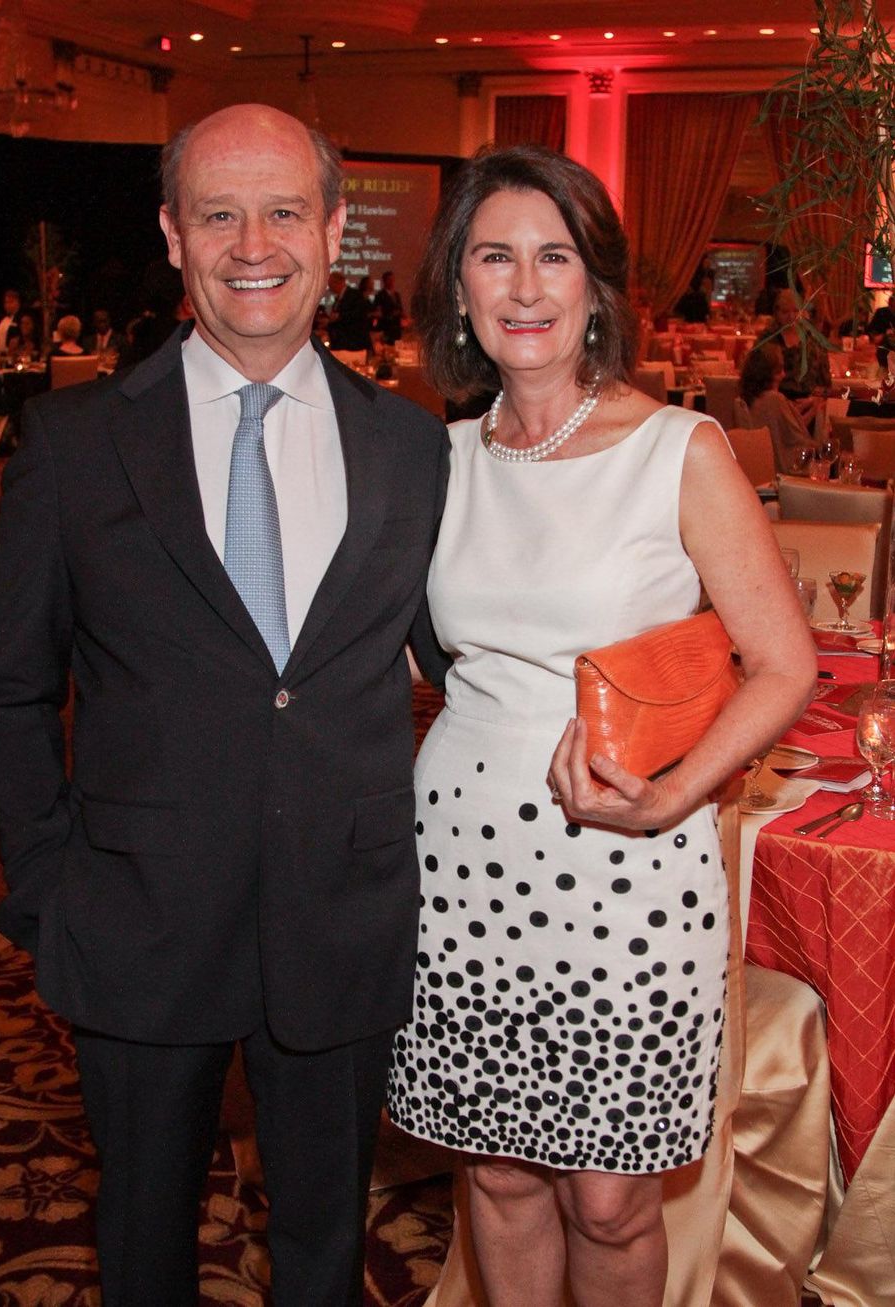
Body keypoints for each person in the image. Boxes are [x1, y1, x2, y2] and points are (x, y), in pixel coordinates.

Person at [0, 102, 449, 1307]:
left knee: (325, 1250)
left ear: (331, 229)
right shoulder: (74, 441)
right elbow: (8, 689)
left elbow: (470, 660)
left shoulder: (412, 447)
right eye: (219, 214)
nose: (253, 244)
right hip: (135, 918)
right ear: (174, 234)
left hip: (341, 913)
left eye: (283, 211)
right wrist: (52, 888)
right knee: (140, 1242)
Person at [385, 145, 816, 1307]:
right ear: (458, 287)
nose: (524, 286)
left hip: (631, 868)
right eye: (494, 257)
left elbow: (783, 662)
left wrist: (675, 794)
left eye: (553, 256)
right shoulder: (438, 460)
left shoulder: (676, 449)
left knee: (611, 1198)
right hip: (462, 863)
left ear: (595, 286)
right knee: (497, 1174)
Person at [739, 342, 817, 473]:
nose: (783, 375)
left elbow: (785, 431)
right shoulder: (774, 400)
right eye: (779, 371)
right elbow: (798, 440)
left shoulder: (751, 398)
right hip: (785, 470)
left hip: (761, 468)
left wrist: (807, 409)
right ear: (768, 374)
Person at [771, 288, 830, 425]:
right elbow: (756, 383)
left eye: (796, 311)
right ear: (777, 313)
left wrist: (814, 400)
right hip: (775, 406)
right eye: (785, 312)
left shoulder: (815, 341)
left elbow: (825, 384)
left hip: (809, 406)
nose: (791, 316)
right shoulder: (769, 340)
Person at [374, 269, 406, 345]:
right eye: (389, 280)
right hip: (386, 327)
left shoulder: (396, 295)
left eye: (393, 279)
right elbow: (378, 312)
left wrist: (402, 315)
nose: (392, 282)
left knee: (397, 346)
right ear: (384, 281)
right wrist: (390, 314)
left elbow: (400, 308)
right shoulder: (380, 295)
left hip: (397, 327)